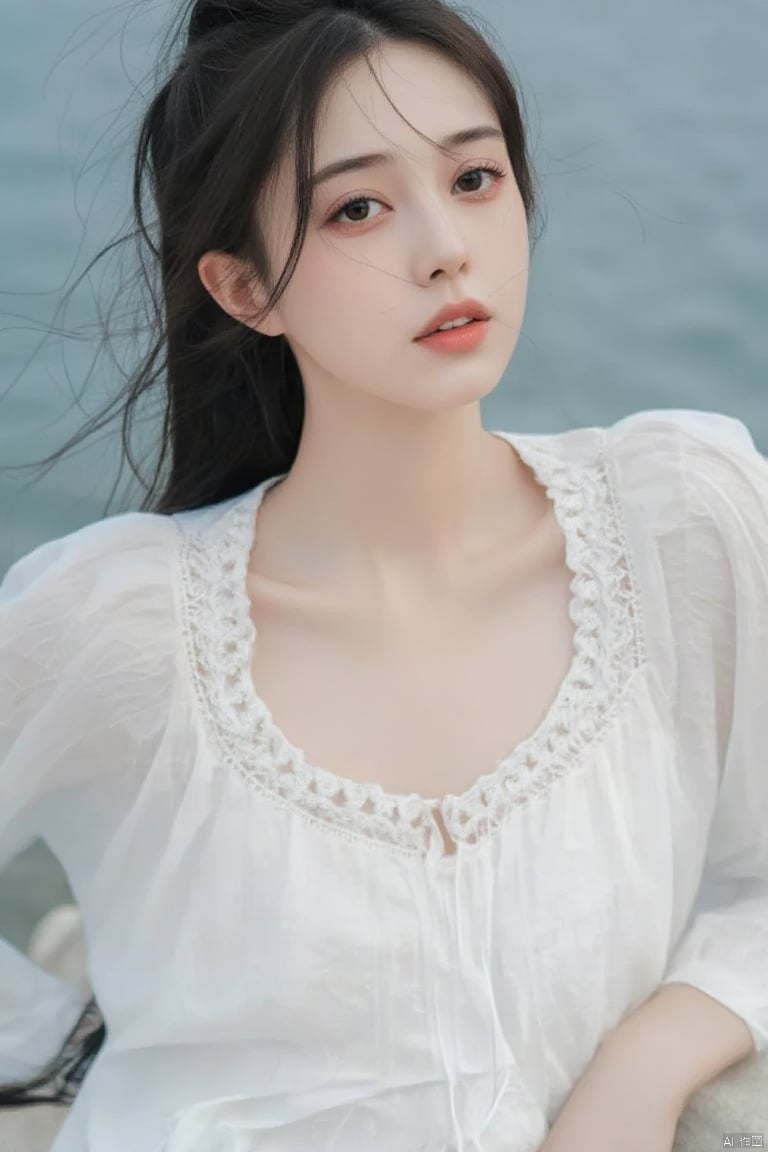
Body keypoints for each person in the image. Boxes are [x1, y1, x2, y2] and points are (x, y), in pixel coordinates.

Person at [1, 0, 766, 1148]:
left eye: (475, 178)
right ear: (243, 288)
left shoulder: (679, 523)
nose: (445, 247)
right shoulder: (125, 623)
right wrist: (51, 1049)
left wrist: (650, 1061)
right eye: (357, 206)